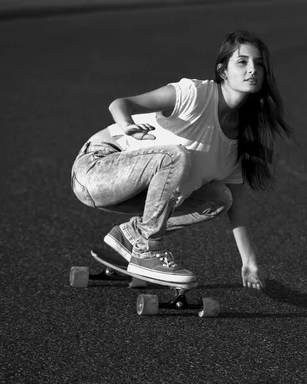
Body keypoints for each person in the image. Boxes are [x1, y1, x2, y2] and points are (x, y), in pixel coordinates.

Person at [71, 30, 294, 291]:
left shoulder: (237, 143)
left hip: (138, 191)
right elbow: (120, 103)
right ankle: (147, 250)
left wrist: (250, 262)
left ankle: (133, 235)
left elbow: (237, 209)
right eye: (242, 62)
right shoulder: (196, 94)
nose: (252, 70)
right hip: (96, 168)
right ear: (223, 71)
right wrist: (127, 125)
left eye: (258, 64)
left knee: (220, 198)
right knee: (175, 155)